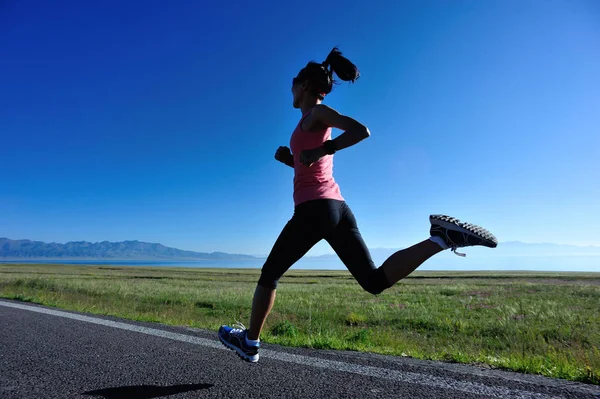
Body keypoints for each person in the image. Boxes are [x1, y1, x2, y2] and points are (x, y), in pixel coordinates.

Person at [218, 47, 497, 363]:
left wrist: (324, 149)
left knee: (269, 275)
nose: (291, 88)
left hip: (314, 210)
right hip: (337, 209)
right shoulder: (306, 123)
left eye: (294, 82)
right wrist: (293, 161)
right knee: (374, 282)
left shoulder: (316, 114)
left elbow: (360, 131)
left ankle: (250, 343)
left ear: (306, 86)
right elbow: (312, 167)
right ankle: (441, 238)